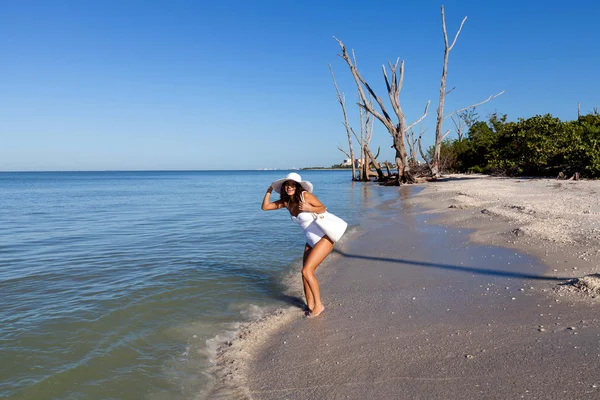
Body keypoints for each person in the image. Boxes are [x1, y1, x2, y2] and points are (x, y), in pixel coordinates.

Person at [261, 172, 333, 317]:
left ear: (298, 186)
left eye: (293, 184)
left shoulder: (305, 196)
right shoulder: (287, 202)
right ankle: (310, 305)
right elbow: (265, 207)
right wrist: (269, 190)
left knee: (306, 271)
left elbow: (323, 208)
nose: (290, 187)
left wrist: (309, 208)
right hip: (310, 240)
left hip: (324, 238)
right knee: (304, 274)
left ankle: (319, 305)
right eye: (287, 184)